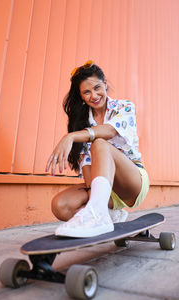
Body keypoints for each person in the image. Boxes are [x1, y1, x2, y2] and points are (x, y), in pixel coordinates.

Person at [46, 60, 149, 238]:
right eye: (86, 92)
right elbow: (87, 172)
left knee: (100, 143)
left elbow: (108, 131)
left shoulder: (123, 107)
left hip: (131, 182)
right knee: (60, 205)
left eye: (97, 87)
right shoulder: (82, 123)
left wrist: (71, 136)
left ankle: (98, 215)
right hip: (105, 191)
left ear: (105, 85)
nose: (93, 95)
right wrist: (94, 194)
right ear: (81, 96)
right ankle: (109, 215)